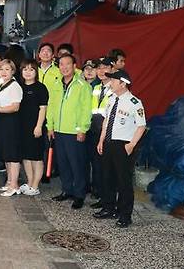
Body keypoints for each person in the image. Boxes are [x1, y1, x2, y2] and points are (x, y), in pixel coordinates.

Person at [94, 69, 146, 228]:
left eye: (114, 81)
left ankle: (125, 214)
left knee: (123, 181)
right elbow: (106, 120)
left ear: (123, 84)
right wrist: (101, 139)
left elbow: (141, 126)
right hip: (109, 142)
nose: (110, 83)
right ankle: (108, 207)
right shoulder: (111, 99)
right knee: (107, 176)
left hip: (123, 144)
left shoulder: (134, 103)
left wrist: (131, 145)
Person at [47, 54, 92, 209]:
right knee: (63, 163)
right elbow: (51, 106)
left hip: (74, 131)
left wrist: (82, 128)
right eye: (61, 64)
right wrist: (50, 126)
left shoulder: (82, 85)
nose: (64, 67)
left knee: (77, 164)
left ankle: (79, 194)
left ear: (74, 66)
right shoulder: (56, 84)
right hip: (58, 130)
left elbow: (86, 109)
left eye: (68, 64)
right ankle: (67, 190)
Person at [88, 57, 116, 209]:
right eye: (99, 68)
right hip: (94, 130)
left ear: (112, 69)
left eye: (105, 68)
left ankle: (108, 200)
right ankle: (101, 196)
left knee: (107, 167)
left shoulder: (117, 87)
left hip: (108, 133)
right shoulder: (97, 87)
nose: (101, 71)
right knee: (97, 165)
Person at [18, 59, 49, 196]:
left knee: (36, 157)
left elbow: (43, 109)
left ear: (36, 72)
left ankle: (36, 185)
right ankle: (30, 182)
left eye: (31, 69)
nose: (28, 72)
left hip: (36, 126)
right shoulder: (19, 86)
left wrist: (39, 126)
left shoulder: (40, 88)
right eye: (25, 69)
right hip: (22, 127)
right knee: (26, 156)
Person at [0, 60, 23, 197]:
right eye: (2, 70)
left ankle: (14, 184)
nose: (4, 72)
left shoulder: (15, 86)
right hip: (2, 122)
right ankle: (10, 181)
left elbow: (15, 107)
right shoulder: (1, 84)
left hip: (11, 121)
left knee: (13, 155)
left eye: (7, 69)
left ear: (13, 71)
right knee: (6, 153)